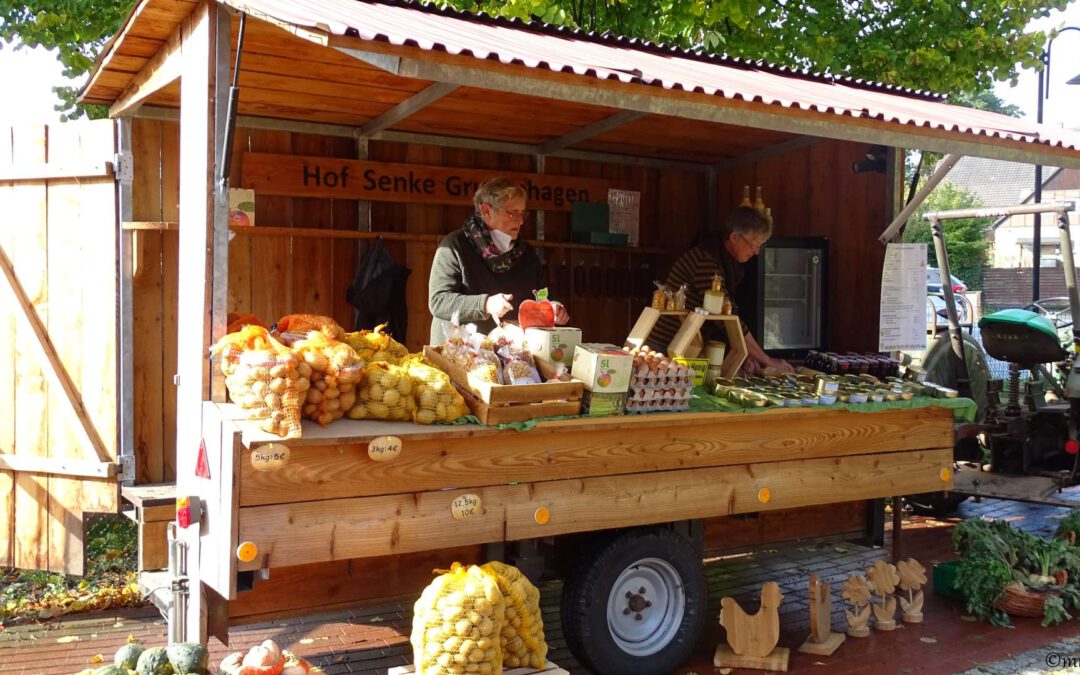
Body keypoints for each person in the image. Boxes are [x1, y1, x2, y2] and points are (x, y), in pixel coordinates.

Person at [648, 205, 793, 375]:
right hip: (667, 349)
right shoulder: (706, 261)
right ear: (734, 237)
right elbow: (728, 320)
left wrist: (745, 355)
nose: (756, 252)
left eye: (759, 246)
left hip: (690, 346)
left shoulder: (726, 263)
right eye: (753, 245)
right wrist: (767, 360)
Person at [429, 177, 570, 344]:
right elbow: (438, 301)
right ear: (487, 211)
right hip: (458, 354)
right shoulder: (454, 246)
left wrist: (552, 305)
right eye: (513, 212)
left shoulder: (527, 253)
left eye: (522, 212)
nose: (521, 220)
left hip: (510, 356)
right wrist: (485, 304)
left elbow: (541, 293)